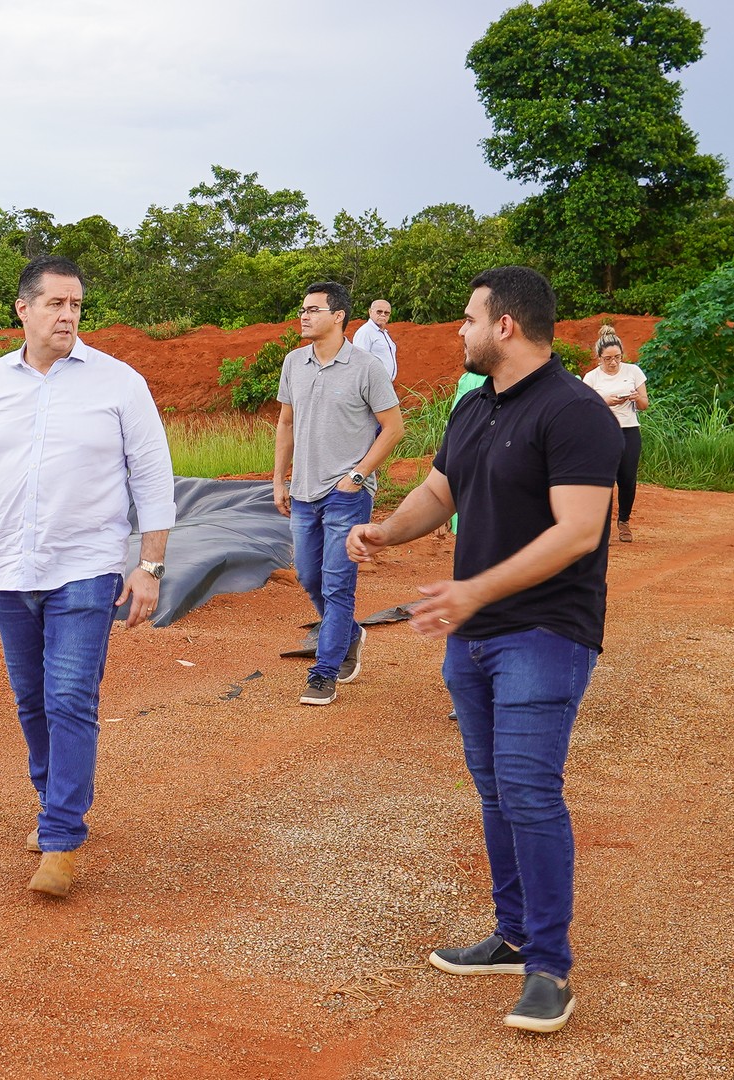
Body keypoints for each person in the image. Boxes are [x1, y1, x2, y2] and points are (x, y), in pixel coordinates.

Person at [346, 266, 622, 1034]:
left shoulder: (575, 413)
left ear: (504, 325)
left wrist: (474, 590)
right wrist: (385, 530)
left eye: (468, 319)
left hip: (545, 631)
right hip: (474, 639)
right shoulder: (473, 410)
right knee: (496, 790)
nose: (458, 332)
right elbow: (441, 493)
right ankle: (512, 936)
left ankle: (550, 970)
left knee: (530, 791)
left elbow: (578, 531)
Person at [0, 254, 175, 899]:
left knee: (71, 696)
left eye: (76, 305)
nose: (68, 315)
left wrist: (149, 565)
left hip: (86, 566)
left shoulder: (118, 383)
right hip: (11, 568)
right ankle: (52, 797)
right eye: (55, 304)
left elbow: (153, 478)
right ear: (23, 309)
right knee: (31, 699)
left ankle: (62, 841)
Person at [272, 281, 403, 706]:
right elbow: (286, 424)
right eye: (302, 309)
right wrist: (279, 479)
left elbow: (394, 429)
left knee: (337, 585)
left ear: (338, 316)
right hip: (304, 492)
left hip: (347, 494)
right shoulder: (294, 362)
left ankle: (324, 672)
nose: (303, 316)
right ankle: (350, 633)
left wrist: (359, 476)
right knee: (309, 577)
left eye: (312, 310)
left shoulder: (366, 367)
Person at [580, 325, 648, 542]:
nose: (613, 362)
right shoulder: (591, 378)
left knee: (627, 478)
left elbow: (645, 404)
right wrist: (606, 402)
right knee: (604, 480)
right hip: (602, 432)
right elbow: (585, 408)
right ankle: (603, 526)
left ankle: (624, 521)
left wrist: (635, 397)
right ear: (599, 357)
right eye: (608, 358)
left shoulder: (634, 371)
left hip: (629, 429)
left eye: (617, 357)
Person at [351, 298, 399, 381]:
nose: (383, 315)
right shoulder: (365, 332)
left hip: (384, 384)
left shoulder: (384, 333)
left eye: (386, 313)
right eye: (379, 311)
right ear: (370, 312)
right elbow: (359, 361)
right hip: (372, 384)